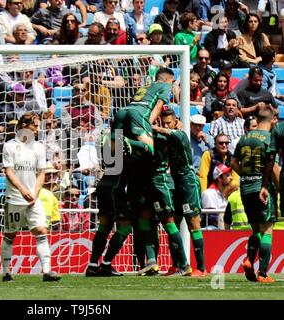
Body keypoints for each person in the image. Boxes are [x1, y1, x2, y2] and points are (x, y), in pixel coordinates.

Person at [85, 68, 175, 277]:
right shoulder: (164, 85)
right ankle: (106, 263)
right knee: (125, 225)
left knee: (105, 225)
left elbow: (111, 160)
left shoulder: (142, 88)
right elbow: (156, 109)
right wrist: (147, 128)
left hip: (106, 180)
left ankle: (92, 265)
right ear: (169, 80)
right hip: (117, 185)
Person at [0, 112, 61, 282]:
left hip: (33, 199)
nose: (37, 129)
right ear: (23, 126)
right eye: (34, 125)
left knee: (41, 230)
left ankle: (47, 271)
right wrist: (22, 190)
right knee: (10, 234)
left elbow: (41, 173)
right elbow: (8, 171)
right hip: (14, 198)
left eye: (38, 125)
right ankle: (6, 272)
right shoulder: (10, 146)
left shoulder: (39, 147)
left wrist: (34, 193)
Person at [153, 108, 206, 276]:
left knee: (193, 224)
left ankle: (202, 268)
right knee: (174, 223)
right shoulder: (167, 137)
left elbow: (169, 133)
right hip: (175, 182)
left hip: (188, 182)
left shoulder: (181, 135)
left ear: (176, 122)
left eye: (170, 123)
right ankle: (177, 265)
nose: (167, 125)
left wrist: (154, 127)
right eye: (164, 123)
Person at [231, 105, 276, 283]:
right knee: (267, 230)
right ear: (272, 120)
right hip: (261, 188)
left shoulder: (243, 138)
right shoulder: (270, 139)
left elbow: (233, 162)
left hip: (246, 188)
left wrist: (246, 175)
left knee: (256, 229)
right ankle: (263, 273)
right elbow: (273, 168)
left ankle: (249, 260)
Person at [201, 163, 234, 229]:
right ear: (219, 178)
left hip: (226, 228)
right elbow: (212, 219)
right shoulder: (209, 193)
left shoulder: (227, 193)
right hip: (215, 230)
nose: (231, 178)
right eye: (227, 175)